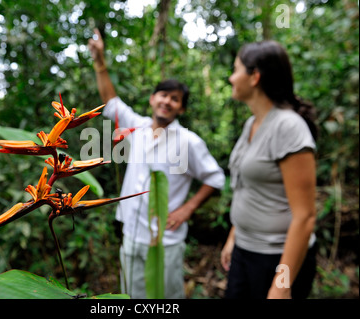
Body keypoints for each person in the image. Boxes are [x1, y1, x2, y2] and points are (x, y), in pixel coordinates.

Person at [88, 28, 225, 299]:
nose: (167, 101)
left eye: (175, 99)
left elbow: (216, 179)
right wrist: (99, 61)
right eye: (163, 95)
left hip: (166, 241)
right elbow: (111, 101)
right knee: (131, 295)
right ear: (152, 99)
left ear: (181, 109)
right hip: (131, 233)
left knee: (165, 297)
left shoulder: (189, 142)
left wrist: (187, 209)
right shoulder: (137, 126)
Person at [220, 40, 318, 299]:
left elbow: (305, 217)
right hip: (244, 250)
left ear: (255, 77)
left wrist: (282, 285)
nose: (231, 78)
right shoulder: (251, 123)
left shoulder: (288, 127)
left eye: (236, 69)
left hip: (277, 258)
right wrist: (234, 236)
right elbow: (248, 188)